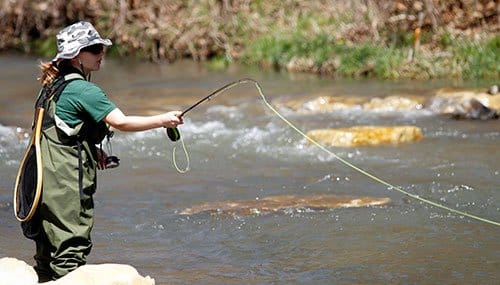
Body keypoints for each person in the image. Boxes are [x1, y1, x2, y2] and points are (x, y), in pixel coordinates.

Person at [26, 21, 184, 282]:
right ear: (77, 55)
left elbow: (55, 130)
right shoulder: (84, 89)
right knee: (70, 256)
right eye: (96, 49)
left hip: (40, 183)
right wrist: (164, 119)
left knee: (46, 256)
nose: (102, 54)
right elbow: (121, 122)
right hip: (65, 186)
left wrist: (90, 148)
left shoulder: (51, 86)